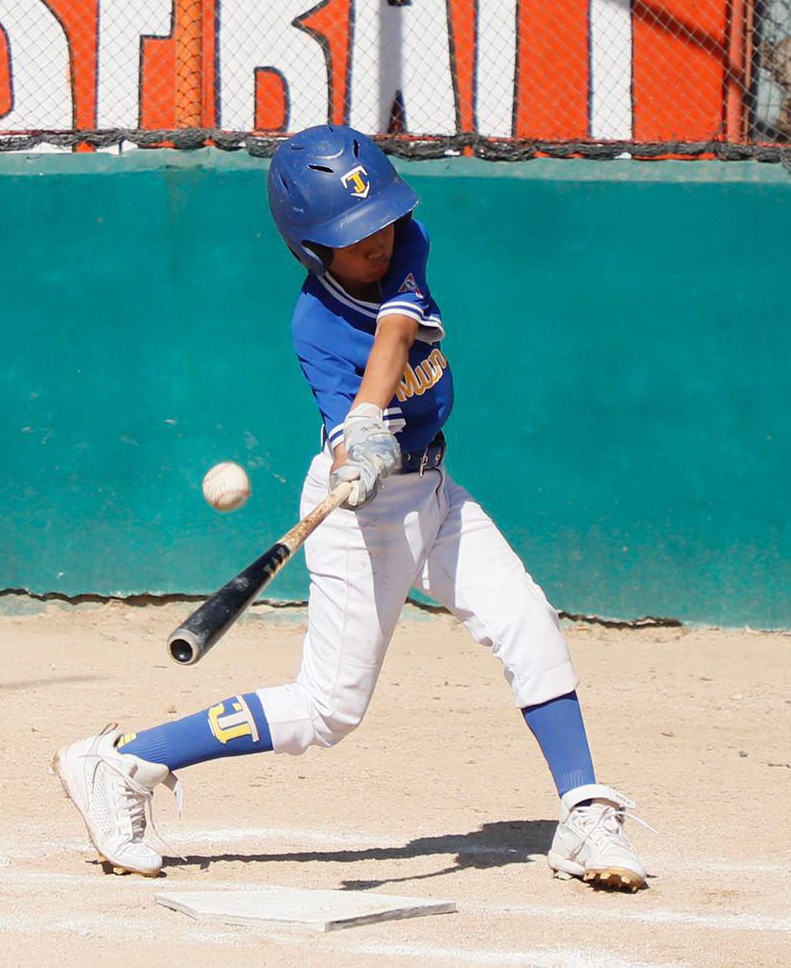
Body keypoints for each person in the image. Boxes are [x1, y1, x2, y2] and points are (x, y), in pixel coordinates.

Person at [52, 125, 649, 891]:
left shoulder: (404, 238)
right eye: (352, 236)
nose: (376, 240)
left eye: (381, 221)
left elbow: (398, 331)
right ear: (309, 247)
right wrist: (352, 447)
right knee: (325, 711)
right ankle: (122, 763)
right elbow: (345, 439)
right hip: (360, 514)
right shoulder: (316, 325)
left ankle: (583, 813)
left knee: (528, 625)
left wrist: (372, 419)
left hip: (432, 490)